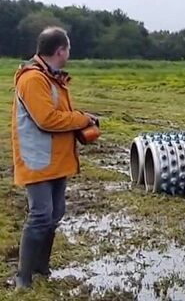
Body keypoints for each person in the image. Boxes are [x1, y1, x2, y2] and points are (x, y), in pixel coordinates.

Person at [10, 26, 98, 289]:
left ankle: (41, 269)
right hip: (37, 159)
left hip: (56, 159)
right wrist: (82, 118)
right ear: (60, 51)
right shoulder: (32, 79)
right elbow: (46, 119)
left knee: (55, 213)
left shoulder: (52, 78)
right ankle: (23, 278)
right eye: (68, 49)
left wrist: (81, 121)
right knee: (40, 215)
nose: (69, 54)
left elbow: (57, 114)